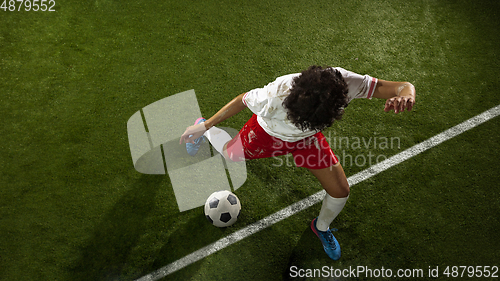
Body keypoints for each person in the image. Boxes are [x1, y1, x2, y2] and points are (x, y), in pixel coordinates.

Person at [179, 65, 416, 260]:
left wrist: (407, 94)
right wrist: (207, 124)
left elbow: (401, 86)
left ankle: (320, 228)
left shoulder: (346, 85)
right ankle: (203, 130)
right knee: (231, 154)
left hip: (306, 140)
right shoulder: (276, 94)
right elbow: (243, 100)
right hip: (267, 134)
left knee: (340, 191)